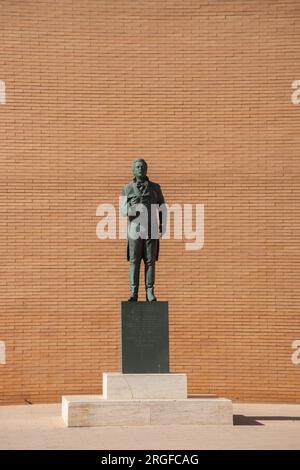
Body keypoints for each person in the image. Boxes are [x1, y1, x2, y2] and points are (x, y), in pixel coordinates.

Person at [121, 159, 166, 301]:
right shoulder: (127, 188)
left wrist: (162, 226)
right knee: (134, 261)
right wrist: (131, 209)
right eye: (137, 167)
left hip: (151, 230)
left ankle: (150, 292)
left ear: (146, 169)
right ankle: (133, 292)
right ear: (133, 170)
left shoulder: (155, 188)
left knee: (150, 261)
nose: (140, 169)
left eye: (143, 166)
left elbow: (162, 208)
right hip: (134, 230)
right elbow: (122, 210)